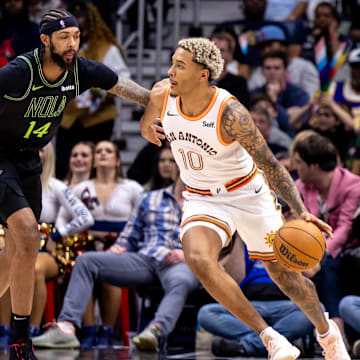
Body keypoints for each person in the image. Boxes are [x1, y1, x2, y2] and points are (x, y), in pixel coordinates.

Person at [140, 37, 350, 359]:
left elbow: (271, 164)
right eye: (171, 62)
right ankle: (270, 338)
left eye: (179, 65)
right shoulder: (163, 93)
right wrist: (143, 123)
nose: (170, 71)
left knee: (285, 275)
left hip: (247, 193)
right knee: (197, 259)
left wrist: (301, 210)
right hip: (202, 196)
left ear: (202, 74)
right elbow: (137, 98)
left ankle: (326, 332)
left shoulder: (230, 112)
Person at [0, 8, 150, 359]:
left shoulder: (80, 71)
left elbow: (125, 87)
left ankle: (20, 341)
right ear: (45, 40)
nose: (72, 44)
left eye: (77, 37)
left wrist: (162, 101)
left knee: (20, 250)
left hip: (28, 160)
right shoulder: (19, 72)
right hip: (0, 156)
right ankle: (21, 342)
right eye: (64, 38)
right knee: (25, 232)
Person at [32, 167, 200, 353]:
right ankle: (65, 327)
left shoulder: (206, 205)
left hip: (183, 262)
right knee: (87, 261)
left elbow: (217, 244)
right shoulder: (151, 197)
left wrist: (187, 254)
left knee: (181, 281)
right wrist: (117, 248)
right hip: (145, 258)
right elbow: (130, 234)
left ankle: (155, 331)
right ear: (178, 171)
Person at [56, 140, 144, 347]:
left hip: (121, 247)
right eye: (99, 151)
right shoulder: (80, 188)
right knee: (82, 266)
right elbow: (63, 216)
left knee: (109, 270)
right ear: (94, 161)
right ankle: (88, 329)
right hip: (86, 245)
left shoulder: (132, 188)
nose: (103, 154)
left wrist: (127, 245)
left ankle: (106, 330)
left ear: (117, 160)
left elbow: (142, 222)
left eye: (108, 151)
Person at [293, 133, 360, 345]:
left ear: (314, 165)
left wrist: (319, 254)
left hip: (347, 248)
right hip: (314, 248)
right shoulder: (301, 186)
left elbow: (345, 228)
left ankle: (336, 332)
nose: (296, 168)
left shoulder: (352, 185)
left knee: (328, 267)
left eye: (300, 163)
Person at [55, 1, 131, 179]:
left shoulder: (108, 50)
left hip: (98, 119)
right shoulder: (59, 51)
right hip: (68, 120)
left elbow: (123, 81)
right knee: (64, 167)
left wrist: (97, 96)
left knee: (97, 168)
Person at [198, 247, 314, 357]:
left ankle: (249, 346)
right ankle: (277, 344)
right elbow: (232, 277)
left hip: (285, 306)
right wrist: (238, 238)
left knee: (316, 310)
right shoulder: (243, 243)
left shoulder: (288, 239)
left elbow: (313, 271)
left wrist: (289, 243)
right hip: (247, 306)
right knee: (206, 313)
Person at [248, 24, 320, 98]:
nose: (266, 50)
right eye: (262, 47)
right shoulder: (258, 73)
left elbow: (312, 97)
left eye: (269, 45)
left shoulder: (304, 66)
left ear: (284, 47)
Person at [209, 31, 249, 108]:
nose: (216, 54)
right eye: (213, 50)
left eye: (222, 50)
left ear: (230, 54)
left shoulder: (239, 84)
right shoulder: (196, 80)